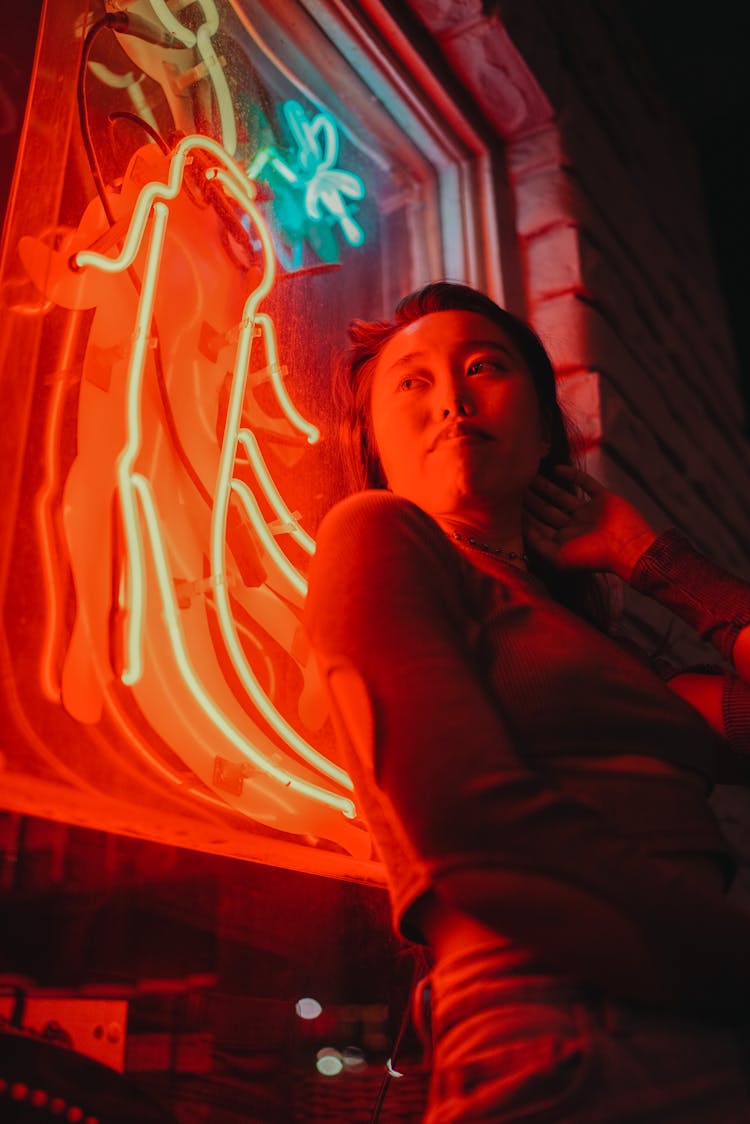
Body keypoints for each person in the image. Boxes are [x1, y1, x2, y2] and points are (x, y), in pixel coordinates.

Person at [304, 281, 750, 1122]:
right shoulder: (379, 535)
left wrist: (653, 559)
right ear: (373, 440)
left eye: (485, 367)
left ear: (545, 428)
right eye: (412, 381)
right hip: (561, 1036)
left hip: (700, 1028)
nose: (454, 400)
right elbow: (472, 831)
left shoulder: (623, 665)